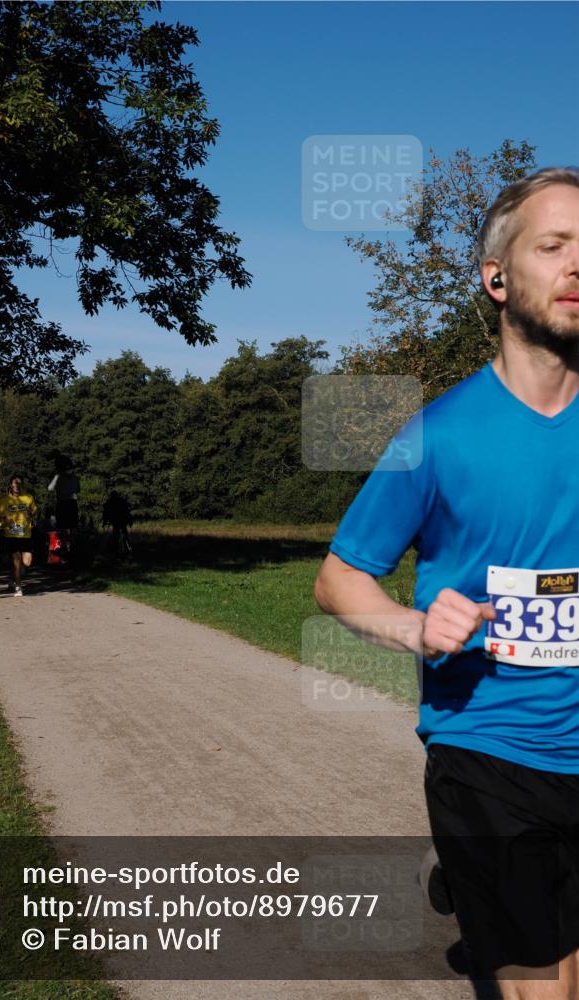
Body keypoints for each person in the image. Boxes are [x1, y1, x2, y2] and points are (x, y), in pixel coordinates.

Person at [313, 167, 579, 997]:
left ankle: (459, 884)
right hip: (491, 749)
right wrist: (412, 626)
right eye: (554, 245)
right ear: (498, 278)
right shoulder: (437, 436)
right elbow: (340, 578)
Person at [0, 474, 37, 597]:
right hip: (11, 535)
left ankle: (13, 578)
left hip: (26, 534)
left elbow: (34, 511)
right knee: (16, 560)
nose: (17, 486)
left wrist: (30, 514)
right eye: (15, 483)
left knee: (26, 563)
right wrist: (1, 519)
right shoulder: (4, 501)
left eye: (19, 483)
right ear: (11, 485)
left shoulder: (28, 498)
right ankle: (18, 587)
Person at [47, 455, 80, 561]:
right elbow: (78, 489)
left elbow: (50, 488)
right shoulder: (74, 478)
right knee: (69, 527)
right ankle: (70, 546)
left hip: (64, 503)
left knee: (66, 527)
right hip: (71, 503)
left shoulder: (62, 478)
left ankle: (69, 547)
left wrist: (57, 476)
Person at [102, 490, 133, 558]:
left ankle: (119, 552)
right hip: (121, 522)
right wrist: (130, 521)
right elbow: (127, 511)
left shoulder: (111, 502)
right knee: (123, 536)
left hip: (118, 522)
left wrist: (104, 522)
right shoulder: (121, 501)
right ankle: (127, 549)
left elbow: (106, 513)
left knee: (117, 536)